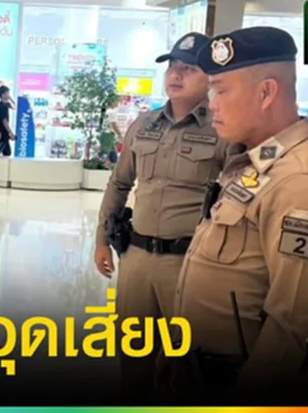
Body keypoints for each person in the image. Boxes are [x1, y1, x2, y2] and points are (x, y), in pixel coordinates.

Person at [167, 27, 308, 404]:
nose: (212, 104)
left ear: (266, 93)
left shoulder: (301, 184)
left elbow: (287, 327)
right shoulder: (257, 164)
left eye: (221, 90)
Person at [93, 32, 228, 403]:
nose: (176, 75)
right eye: (172, 67)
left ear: (210, 77)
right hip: (136, 259)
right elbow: (119, 184)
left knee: (185, 364)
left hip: (188, 264)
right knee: (133, 358)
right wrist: (101, 239)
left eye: (189, 69)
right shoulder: (144, 124)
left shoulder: (222, 130)